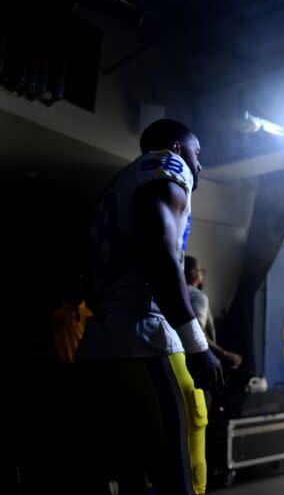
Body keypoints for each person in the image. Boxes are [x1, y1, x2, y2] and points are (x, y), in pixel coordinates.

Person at [74, 119, 223, 495]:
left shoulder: (117, 184)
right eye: (197, 153)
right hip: (148, 342)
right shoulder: (165, 165)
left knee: (130, 478)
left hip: (99, 347)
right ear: (175, 148)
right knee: (182, 477)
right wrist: (197, 345)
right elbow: (161, 254)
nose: (199, 165)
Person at [184, 255, 242, 368]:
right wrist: (224, 354)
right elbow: (197, 332)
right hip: (194, 360)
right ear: (193, 273)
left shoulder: (174, 293)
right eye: (200, 270)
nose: (202, 274)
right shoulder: (198, 296)